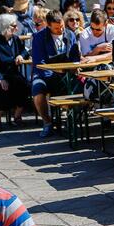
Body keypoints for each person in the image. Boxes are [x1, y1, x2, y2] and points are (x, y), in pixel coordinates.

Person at [31, 10, 81, 138]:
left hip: (66, 74)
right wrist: (54, 75)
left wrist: (74, 68)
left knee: (81, 87)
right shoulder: (39, 37)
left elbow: (75, 57)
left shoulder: (70, 34)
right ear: (48, 25)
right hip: (44, 74)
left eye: (62, 27)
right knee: (37, 90)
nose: (60, 30)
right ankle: (47, 122)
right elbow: (39, 62)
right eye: (57, 28)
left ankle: (72, 120)